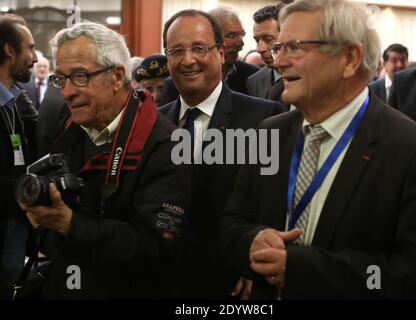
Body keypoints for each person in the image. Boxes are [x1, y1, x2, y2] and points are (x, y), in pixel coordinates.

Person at [219, 0, 416, 299]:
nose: (278, 62)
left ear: (350, 58)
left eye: (296, 47)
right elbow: (231, 222)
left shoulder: (415, 154)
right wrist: (252, 241)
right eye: (280, 47)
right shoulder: (269, 133)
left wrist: (305, 269)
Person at [17, 21, 188, 299]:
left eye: (81, 76)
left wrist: (70, 224)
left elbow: (155, 248)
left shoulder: (166, 144)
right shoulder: (69, 126)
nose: (67, 92)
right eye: (61, 78)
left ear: (118, 76)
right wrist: (44, 217)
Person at [159, 9, 283, 299]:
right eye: (176, 51)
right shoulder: (155, 123)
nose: (188, 60)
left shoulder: (262, 117)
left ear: (220, 52)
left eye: (199, 48)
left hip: (234, 285)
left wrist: (256, 266)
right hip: (166, 282)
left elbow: (273, 206)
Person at [0, 13, 37, 300]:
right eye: (30, 48)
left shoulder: (12, 100)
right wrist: (23, 191)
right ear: (10, 50)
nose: (35, 57)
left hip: (14, 222)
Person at [246, 4, 290, 111]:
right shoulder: (254, 81)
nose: (260, 49)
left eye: (268, 39)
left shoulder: (308, 77)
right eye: (257, 40)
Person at [208, 5, 260, 95]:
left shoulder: (254, 77)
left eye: (242, 35)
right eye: (231, 36)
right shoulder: (190, 75)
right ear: (209, 37)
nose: (240, 43)